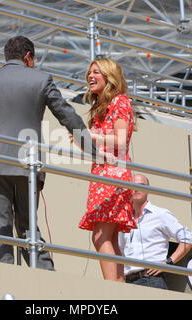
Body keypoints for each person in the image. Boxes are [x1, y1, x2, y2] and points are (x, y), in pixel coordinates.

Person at [0, 36, 95, 270]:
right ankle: (45, 276)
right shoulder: (41, 79)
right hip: (29, 165)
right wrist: (91, 148)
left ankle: (2, 280)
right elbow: (67, 115)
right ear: (28, 56)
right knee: (27, 226)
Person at [78, 58, 137, 282]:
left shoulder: (120, 102)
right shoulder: (102, 107)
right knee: (109, 238)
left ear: (109, 77)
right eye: (89, 72)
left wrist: (91, 135)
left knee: (101, 237)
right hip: (103, 173)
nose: (90, 76)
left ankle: (112, 290)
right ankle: (118, 288)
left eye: (96, 72)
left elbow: (121, 142)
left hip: (112, 174)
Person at [119, 174, 192, 290]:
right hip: (126, 282)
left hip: (151, 280)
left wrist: (168, 262)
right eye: (133, 185)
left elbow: (187, 239)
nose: (137, 188)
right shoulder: (123, 220)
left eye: (141, 185)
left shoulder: (160, 214)